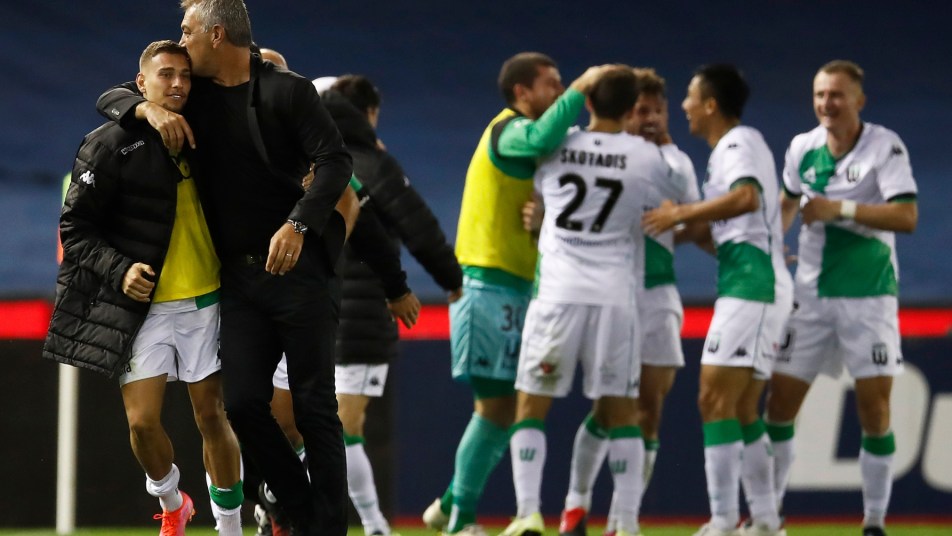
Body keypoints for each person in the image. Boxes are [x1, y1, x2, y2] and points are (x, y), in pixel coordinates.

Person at [97, 1, 354, 533]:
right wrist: (149, 112)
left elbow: (336, 163)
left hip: (300, 272)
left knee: (314, 409)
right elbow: (112, 96)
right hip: (238, 279)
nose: (180, 40)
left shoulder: (288, 91)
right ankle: (298, 509)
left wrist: (299, 224)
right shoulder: (195, 95)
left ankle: (324, 527)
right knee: (241, 404)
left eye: (187, 30)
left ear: (216, 35)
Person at [44, 40, 243, 535]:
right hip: (142, 306)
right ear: (141, 84)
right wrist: (120, 270)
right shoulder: (108, 144)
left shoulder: (208, 129)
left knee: (213, 416)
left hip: (207, 298)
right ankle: (174, 503)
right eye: (165, 74)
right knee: (142, 423)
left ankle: (230, 526)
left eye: (185, 75)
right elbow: (75, 230)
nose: (177, 83)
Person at [420, 54, 610, 536]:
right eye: (553, 84)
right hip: (484, 285)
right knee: (495, 408)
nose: (561, 90)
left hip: (518, 288)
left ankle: (450, 504)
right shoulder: (508, 131)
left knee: (507, 412)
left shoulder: (530, 154)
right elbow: (544, 136)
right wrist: (584, 86)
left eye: (564, 84)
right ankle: (460, 520)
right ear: (523, 92)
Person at [500, 66, 667, 536]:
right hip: (614, 298)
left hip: (558, 292)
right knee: (621, 411)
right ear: (633, 109)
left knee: (531, 405)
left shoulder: (558, 145)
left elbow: (538, 189)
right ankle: (627, 522)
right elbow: (662, 203)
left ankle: (529, 512)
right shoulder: (646, 156)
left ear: (589, 102)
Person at [764, 60, 918, 536]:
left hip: (868, 296)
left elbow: (906, 216)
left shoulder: (884, 146)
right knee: (778, 405)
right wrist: (774, 244)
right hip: (808, 296)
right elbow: (788, 201)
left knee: (874, 411)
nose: (826, 103)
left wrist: (842, 209)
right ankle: (769, 516)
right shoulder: (801, 147)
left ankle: (874, 521)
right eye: (820, 94)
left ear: (858, 100)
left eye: (836, 94)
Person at [643, 64, 792, 536]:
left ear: (711, 105)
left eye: (690, 96)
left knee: (713, 397)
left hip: (753, 285)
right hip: (751, 280)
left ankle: (724, 520)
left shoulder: (737, 143)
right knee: (741, 408)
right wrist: (675, 227)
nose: (684, 105)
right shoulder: (726, 152)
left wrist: (681, 213)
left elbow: (746, 198)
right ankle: (765, 520)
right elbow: (718, 229)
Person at [557, 67, 702, 536]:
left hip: (657, 294)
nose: (651, 118)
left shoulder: (674, 162)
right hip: (612, 294)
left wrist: (676, 218)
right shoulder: (600, 155)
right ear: (625, 112)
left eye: (658, 110)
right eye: (642, 110)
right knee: (609, 410)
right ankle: (576, 505)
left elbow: (694, 216)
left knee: (649, 411)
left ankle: (623, 519)